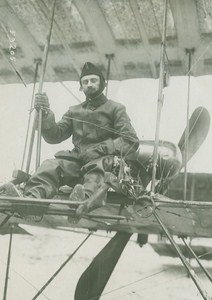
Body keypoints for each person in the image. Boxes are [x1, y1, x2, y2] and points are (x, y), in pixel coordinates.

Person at [7, 62, 139, 218]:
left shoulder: (116, 108)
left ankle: (83, 201)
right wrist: (46, 113)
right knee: (52, 165)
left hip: (104, 161)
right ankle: (33, 200)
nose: (89, 84)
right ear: (81, 87)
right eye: (85, 82)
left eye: (93, 80)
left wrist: (100, 149)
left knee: (99, 167)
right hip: (77, 161)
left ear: (103, 83)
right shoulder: (74, 111)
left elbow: (131, 140)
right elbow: (55, 136)